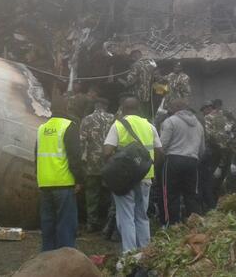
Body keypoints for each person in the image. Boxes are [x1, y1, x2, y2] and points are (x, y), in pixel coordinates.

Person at [103, 97, 163, 253]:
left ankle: (129, 254)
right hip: (145, 177)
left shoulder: (118, 125)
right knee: (142, 216)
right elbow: (160, 151)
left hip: (124, 180)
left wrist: (114, 168)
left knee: (126, 217)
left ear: (123, 109)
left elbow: (107, 151)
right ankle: (145, 252)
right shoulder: (150, 126)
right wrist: (151, 168)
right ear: (139, 109)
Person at [35, 96, 84, 251]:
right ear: (66, 109)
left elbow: (36, 156)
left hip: (45, 183)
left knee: (47, 223)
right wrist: (79, 180)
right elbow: (74, 157)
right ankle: (64, 256)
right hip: (64, 183)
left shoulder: (41, 128)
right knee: (66, 224)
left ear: (51, 110)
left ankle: (47, 256)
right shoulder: (69, 126)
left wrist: (39, 178)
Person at [160, 99, 205, 225]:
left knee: (170, 195)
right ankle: (195, 225)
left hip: (173, 160)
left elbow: (162, 145)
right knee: (191, 195)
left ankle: (172, 225)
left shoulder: (170, 121)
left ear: (176, 108)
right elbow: (202, 149)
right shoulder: (199, 125)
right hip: (192, 161)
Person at [79, 97, 114, 232]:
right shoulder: (112, 119)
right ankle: (108, 223)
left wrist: (82, 161)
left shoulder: (87, 119)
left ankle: (91, 223)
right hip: (109, 162)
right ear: (106, 106)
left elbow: (82, 142)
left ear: (95, 106)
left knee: (92, 194)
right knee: (110, 193)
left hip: (92, 163)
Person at [123, 50, 157, 119]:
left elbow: (130, 80)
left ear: (134, 56)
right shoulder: (151, 65)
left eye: (132, 57)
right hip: (147, 95)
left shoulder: (136, 65)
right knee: (144, 114)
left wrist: (124, 82)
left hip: (136, 94)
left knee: (135, 113)